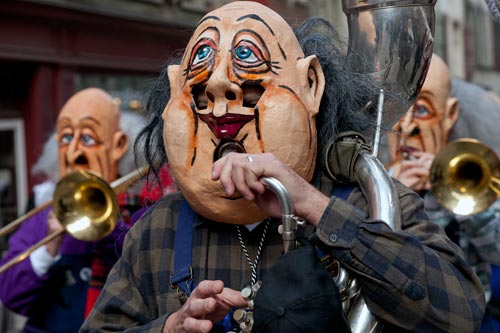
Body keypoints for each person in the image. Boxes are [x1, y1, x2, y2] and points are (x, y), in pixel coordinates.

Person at [81, 2, 485, 333]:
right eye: (201, 99)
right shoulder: (157, 231)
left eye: (252, 90)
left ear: (310, 86)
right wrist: (169, 327)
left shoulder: (372, 201)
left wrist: (314, 206)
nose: (220, 88)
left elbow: (461, 312)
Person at [0, 87, 148, 333]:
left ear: (119, 145)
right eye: (66, 138)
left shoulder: (141, 209)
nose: (74, 152)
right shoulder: (44, 213)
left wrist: (105, 227)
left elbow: (147, 279)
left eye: (88, 138)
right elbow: (12, 297)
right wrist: (49, 247)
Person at [385, 53, 500, 332]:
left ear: (450, 116)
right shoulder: (375, 184)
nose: (407, 126)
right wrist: (389, 196)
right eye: (397, 109)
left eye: (422, 110)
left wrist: (457, 193)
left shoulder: (470, 177)